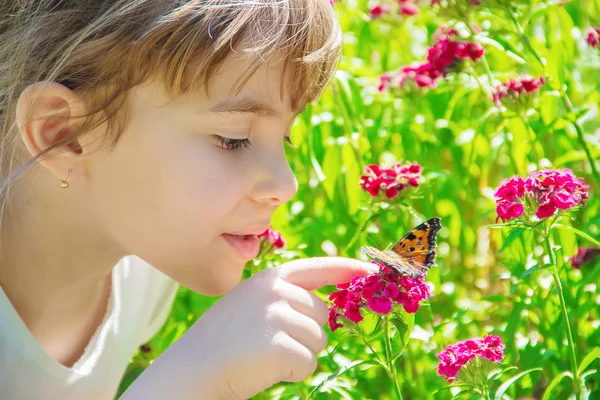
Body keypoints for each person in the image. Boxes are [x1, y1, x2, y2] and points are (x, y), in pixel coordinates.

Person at [0, 1, 378, 399]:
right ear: (63, 135)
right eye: (234, 139)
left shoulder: (144, 278)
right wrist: (192, 377)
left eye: (284, 137)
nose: (286, 185)